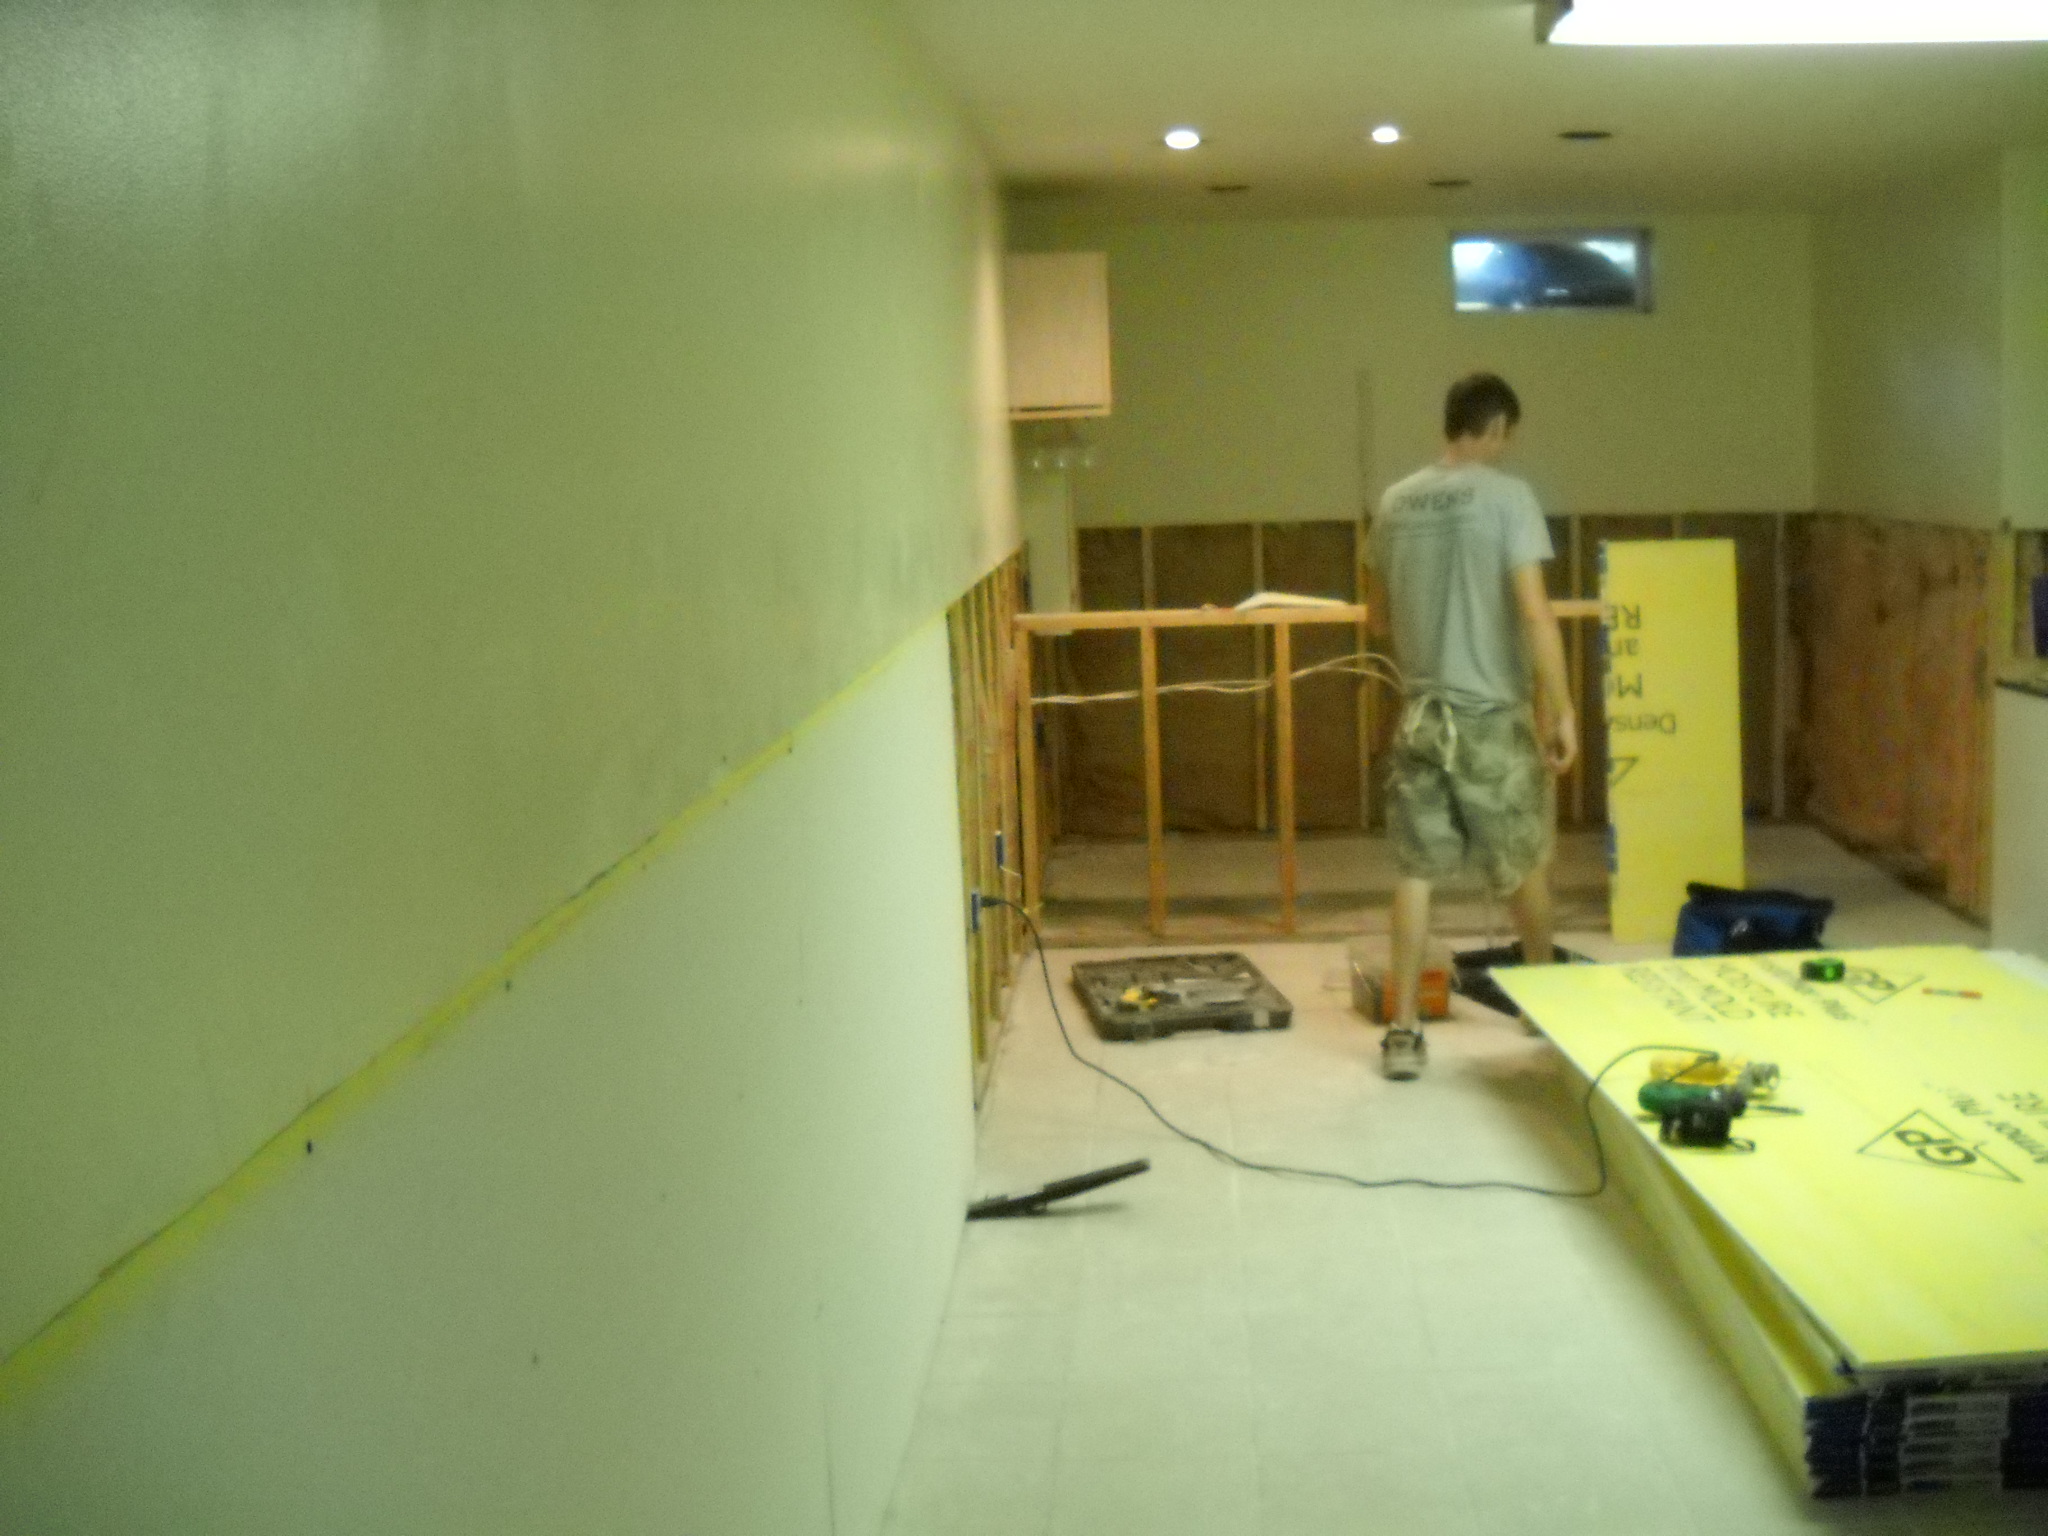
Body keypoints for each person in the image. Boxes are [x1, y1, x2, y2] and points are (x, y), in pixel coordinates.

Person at [1364, 373, 1577, 1080]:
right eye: (1506, 436)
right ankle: (1541, 1002)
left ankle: (1402, 1031)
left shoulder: (1395, 502)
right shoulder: (1508, 498)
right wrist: (1562, 707)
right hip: (1490, 716)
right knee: (1523, 862)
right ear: (1495, 428)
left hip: (1421, 715)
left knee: (1416, 871)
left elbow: (1377, 619)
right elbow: (1534, 612)